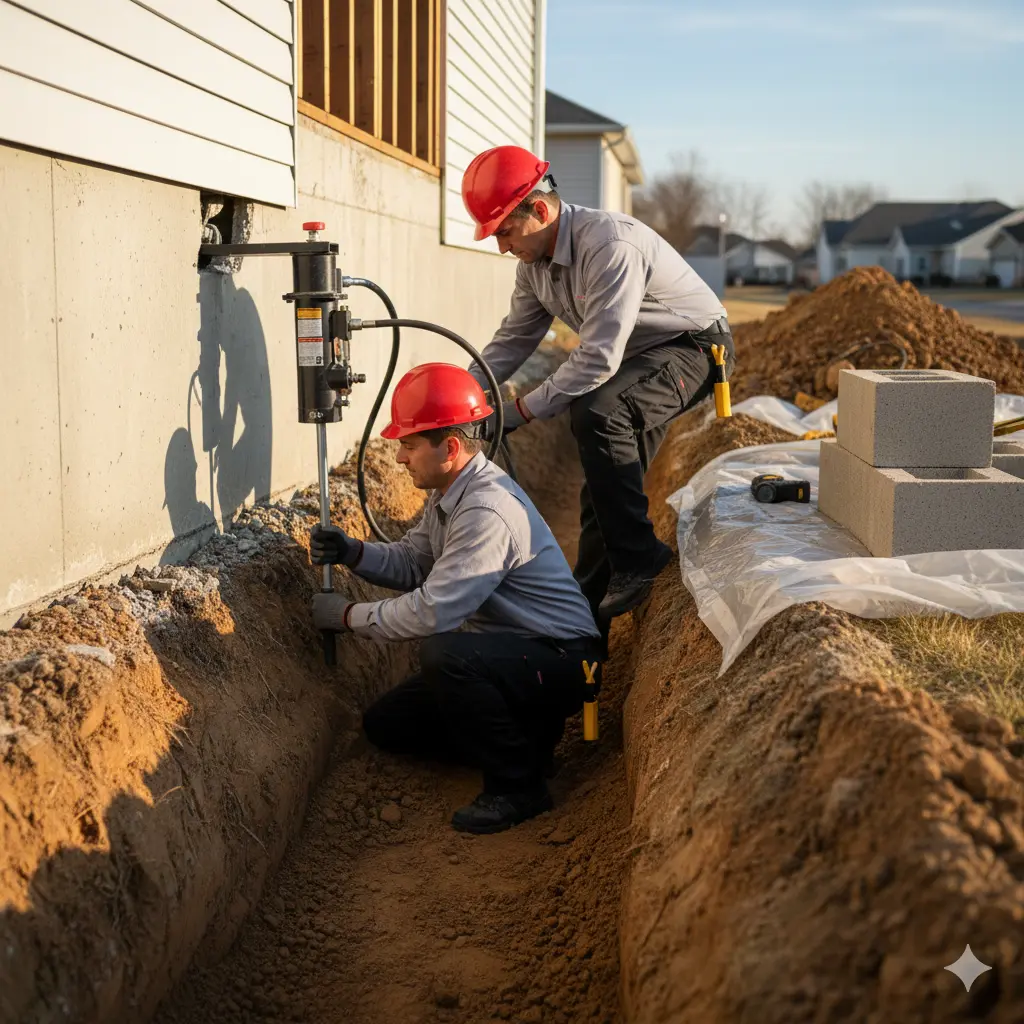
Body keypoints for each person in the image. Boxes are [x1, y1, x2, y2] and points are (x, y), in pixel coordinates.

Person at [309, 362, 603, 835]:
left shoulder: (486, 510)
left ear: (449, 447)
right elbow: (414, 561)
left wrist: (347, 616)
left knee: (444, 654)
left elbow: (434, 610)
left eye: (407, 445)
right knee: (386, 725)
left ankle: (519, 785)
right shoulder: (452, 491)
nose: (400, 458)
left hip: (561, 659)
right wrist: (353, 552)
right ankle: (523, 739)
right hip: (515, 655)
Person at [462, 145, 736, 642]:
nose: (501, 246)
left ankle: (642, 560)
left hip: (693, 349)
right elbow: (516, 338)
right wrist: (464, 390)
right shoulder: (534, 265)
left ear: (540, 210)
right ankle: (583, 632)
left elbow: (599, 358)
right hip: (640, 359)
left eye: (504, 230)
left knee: (597, 411)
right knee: (604, 492)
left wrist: (521, 409)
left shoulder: (609, 245)